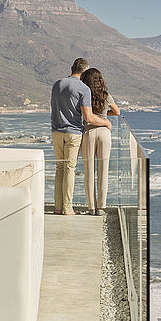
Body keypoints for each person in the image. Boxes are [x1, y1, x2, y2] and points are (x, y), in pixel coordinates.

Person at [51, 58, 113, 215]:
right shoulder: (84, 89)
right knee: (70, 169)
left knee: (60, 169)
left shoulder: (57, 84)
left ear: (71, 67)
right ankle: (67, 208)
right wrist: (105, 122)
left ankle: (58, 208)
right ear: (86, 72)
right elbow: (89, 117)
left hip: (56, 131)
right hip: (73, 133)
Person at [80, 68, 120, 215]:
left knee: (89, 170)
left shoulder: (84, 95)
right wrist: (104, 116)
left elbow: (84, 114)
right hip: (104, 131)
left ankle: (91, 207)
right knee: (103, 169)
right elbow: (117, 112)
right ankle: (101, 207)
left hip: (89, 131)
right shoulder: (106, 95)